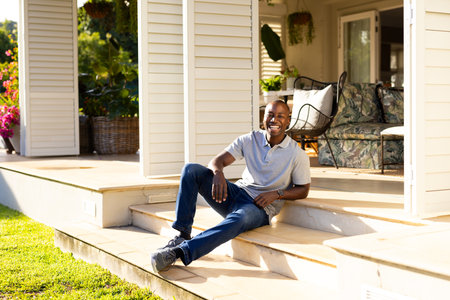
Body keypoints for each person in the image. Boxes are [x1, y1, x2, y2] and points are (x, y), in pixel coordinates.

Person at [150, 100, 311, 272]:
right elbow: (217, 161)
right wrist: (218, 173)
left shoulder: (297, 154)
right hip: (235, 193)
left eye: (280, 116)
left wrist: (277, 194)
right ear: (263, 117)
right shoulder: (250, 139)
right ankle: (182, 235)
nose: (274, 120)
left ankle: (180, 252)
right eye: (270, 115)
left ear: (288, 120)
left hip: (259, 208)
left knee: (241, 217)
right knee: (191, 170)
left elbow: (303, 189)